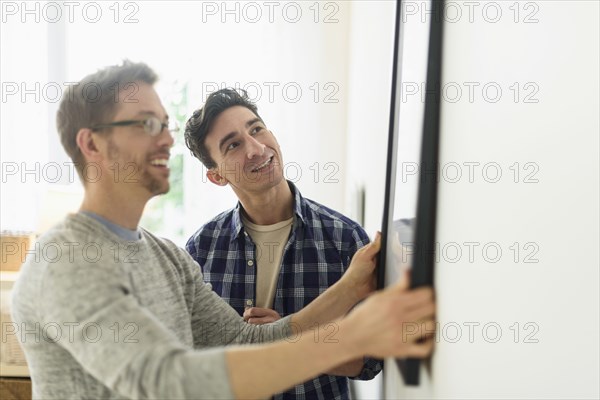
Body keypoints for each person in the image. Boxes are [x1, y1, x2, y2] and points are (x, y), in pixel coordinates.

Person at [10, 61, 436, 400]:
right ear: (92, 145)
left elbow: (247, 341)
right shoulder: (66, 260)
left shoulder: (170, 259)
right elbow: (168, 381)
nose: (165, 141)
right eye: (145, 125)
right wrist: (351, 336)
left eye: (164, 125)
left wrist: (350, 287)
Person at [184, 88, 382, 399]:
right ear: (217, 176)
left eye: (256, 129)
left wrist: (287, 341)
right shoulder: (200, 251)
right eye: (233, 144)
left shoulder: (344, 239)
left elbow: (371, 359)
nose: (256, 148)